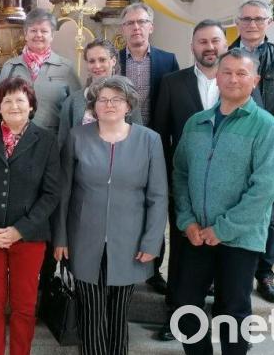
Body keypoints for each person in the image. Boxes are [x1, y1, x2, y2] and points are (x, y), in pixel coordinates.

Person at [172, 48, 274, 355]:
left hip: (240, 237)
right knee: (186, 307)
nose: (233, 79)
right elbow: (180, 173)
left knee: (232, 311)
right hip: (197, 234)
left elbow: (264, 188)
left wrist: (223, 229)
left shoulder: (266, 127)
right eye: (227, 72)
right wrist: (187, 220)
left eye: (242, 73)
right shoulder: (196, 122)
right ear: (217, 76)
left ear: (255, 80)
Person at [54, 76, 167, 355]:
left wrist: (151, 242)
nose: (109, 104)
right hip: (83, 239)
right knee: (90, 314)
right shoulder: (76, 137)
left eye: (116, 99)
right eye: (102, 99)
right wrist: (60, 238)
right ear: (93, 106)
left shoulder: (149, 140)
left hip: (130, 241)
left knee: (118, 314)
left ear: (128, 105)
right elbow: (63, 193)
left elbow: (158, 195)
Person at [0, 77, 62, 355]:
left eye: (20, 99)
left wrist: (20, 230)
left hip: (29, 238)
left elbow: (52, 193)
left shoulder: (47, 140)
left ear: (31, 106)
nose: (14, 105)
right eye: (7, 100)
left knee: (24, 306)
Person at [150, 19, 231, 341]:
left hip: (229, 187)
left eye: (215, 41)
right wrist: (167, 182)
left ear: (226, 44)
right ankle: (179, 316)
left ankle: (228, 322)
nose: (209, 47)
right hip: (185, 183)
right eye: (202, 42)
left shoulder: (238, 80)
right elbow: (160, 134)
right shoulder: (173, 82)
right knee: (184, 250)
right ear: (193, 46)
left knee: (227, 252)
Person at [230, 0, 274, 304]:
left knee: (267, 213)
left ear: (269, 23)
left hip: (267, 148)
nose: (251, 24)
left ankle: (265, 274)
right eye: (246, 19)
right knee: (228, 205)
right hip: (229, 144)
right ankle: (228, 271)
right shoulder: (224, 55)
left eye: (258, 19)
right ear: (238, 21)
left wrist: (270, 136)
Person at [117, 1, 178, 294]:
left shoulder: (168, 60)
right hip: (121, 143)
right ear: (123, 29)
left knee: (156, 203)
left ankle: (154, 270)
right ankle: (122, 261)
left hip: (157, 143)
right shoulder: (114, 60)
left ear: (151, 27)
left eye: (141, 22)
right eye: (130, 23)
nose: (136, 28)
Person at [0, 7, 81, 134]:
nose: (38, 35)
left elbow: (77, 109)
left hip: (53, 143)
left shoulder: (66, 68)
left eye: (44, 31)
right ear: (25, 34)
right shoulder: (10, 66)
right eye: (33, 30)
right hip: (15, 142)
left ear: (52, 35)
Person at [58, 38, 141, 145]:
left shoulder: (128, 96)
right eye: (92, 61)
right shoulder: (72, 101)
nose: (97, 66)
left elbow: (138, 139)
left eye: (102, 60)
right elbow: (63, 142)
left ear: (113, 61)